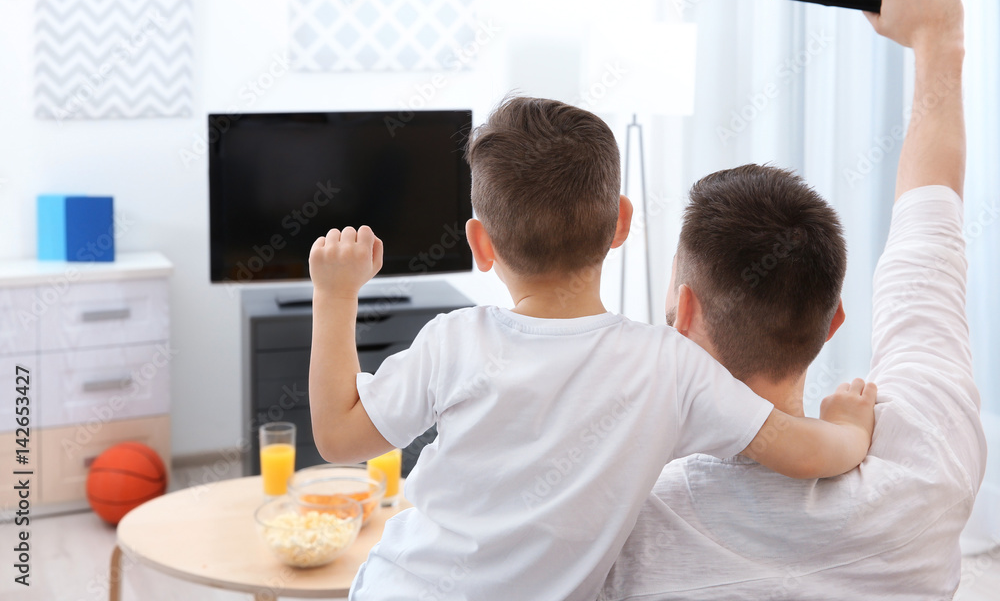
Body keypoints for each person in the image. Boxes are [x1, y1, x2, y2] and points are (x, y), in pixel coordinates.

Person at [307, 97, 876, 600]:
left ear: (481, 243)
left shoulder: (453, 340)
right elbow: (806, 455)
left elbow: (337, 437)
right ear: (621, 223)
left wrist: (335, 296)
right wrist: (850, 426)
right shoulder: (670, 367)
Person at [602, 0, 985, 600]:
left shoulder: (623, 517)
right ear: (834, 319)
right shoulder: (929, 461)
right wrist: (939, 41)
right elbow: (929, 237)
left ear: (685, 309)